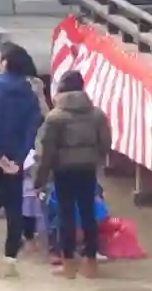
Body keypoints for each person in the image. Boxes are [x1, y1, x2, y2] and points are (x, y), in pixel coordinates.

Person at [0, 43, 43, 277]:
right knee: (14, 207)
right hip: (16, 160)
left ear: (3, 63)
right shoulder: (29, 94)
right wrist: (17, 159)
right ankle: (10, 258)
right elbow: (31, 130)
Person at [33, 70, 112, 279]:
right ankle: (90, 262)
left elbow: (47, 151)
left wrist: (39, 179)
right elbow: (105, 142)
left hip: (63, 171)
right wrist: (95, 159)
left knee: (65, 214)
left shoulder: (55, 117)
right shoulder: (97, 114)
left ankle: (68, 264)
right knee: (88, 213)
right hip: (87, 169)